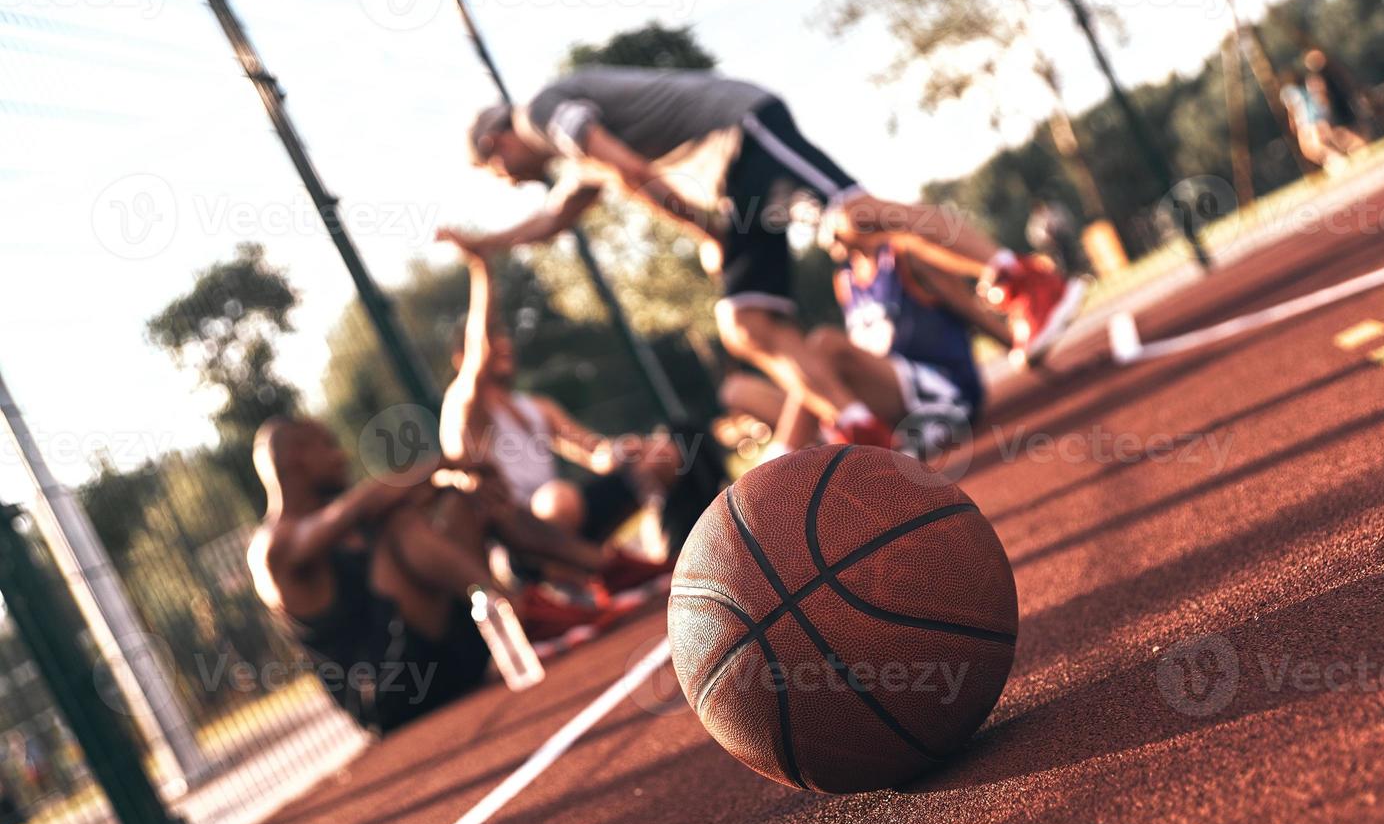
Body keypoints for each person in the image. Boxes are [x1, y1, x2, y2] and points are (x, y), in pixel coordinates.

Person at [444, 67, 1084, 446]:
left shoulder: (539, 114)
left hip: (741, 128)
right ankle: (860, 428)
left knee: (855, 215)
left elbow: (634, 170)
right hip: (729, 180)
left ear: (498, 139)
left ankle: (1022, 277)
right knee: (743, 325)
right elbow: (556, 218)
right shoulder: (568, 159)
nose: (506, 177)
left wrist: (706, 236)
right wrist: (487, 247)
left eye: (496, 168)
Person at [248, 418, 607, 730]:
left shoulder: (337, 522)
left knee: (460, 499)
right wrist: (447, 461)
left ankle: (602, 564)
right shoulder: (273, 547)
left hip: (448, 656)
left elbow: (382, 503)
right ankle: (513, 608)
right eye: (328, 446)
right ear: (297, 457)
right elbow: (365, 504)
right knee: (399, 522)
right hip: (394, 692)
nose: (341, 455)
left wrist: (465, 479)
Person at [436, 230, 685, 591]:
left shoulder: (536, 407)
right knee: (558, 498)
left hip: (568, 512)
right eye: (494, 340)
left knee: (660, 456)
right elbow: (481, 347)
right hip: (523, 540)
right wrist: (482, 267)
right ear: (463, 359)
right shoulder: (462, 405)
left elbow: (592, 452)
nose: (502, 344)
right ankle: (569, 593)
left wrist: (620, 451)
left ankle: (658, 553)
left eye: (504, 340)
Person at [721, 227, 1003, 457]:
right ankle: (851, 438)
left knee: (824, 344)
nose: (821, 233)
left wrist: (1017, 344)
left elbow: (969, 308)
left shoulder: (904, 255)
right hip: (883, 404)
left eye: (826, 217)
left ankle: (779, 470)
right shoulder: (845, 279)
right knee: (738, 390)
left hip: (943, 391)